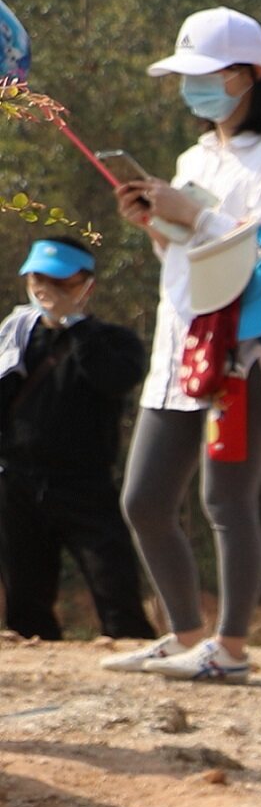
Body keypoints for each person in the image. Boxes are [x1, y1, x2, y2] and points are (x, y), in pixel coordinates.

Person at [108, 7, 261, 680]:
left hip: (243, 351)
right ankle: (183, 632)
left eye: (207, 75)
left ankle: (229, 649)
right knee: (143, 499)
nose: (193, 89)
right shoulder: (195, 156)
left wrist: (193, 213)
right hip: (181, 344)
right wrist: (155, 223)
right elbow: (190, 254)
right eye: (186, 77)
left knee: (226, 500)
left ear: (252, 74)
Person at [1, 238, 156, 645]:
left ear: (87, 286)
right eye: (37, 278)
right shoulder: (14, 338)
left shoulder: (113, 341)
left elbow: (114, 379)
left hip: (85, 483)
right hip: (17, 480)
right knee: (25, 594)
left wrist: (77, 324)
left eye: (60, 282)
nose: (45, 289)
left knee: (112, 582)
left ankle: (131, 646)